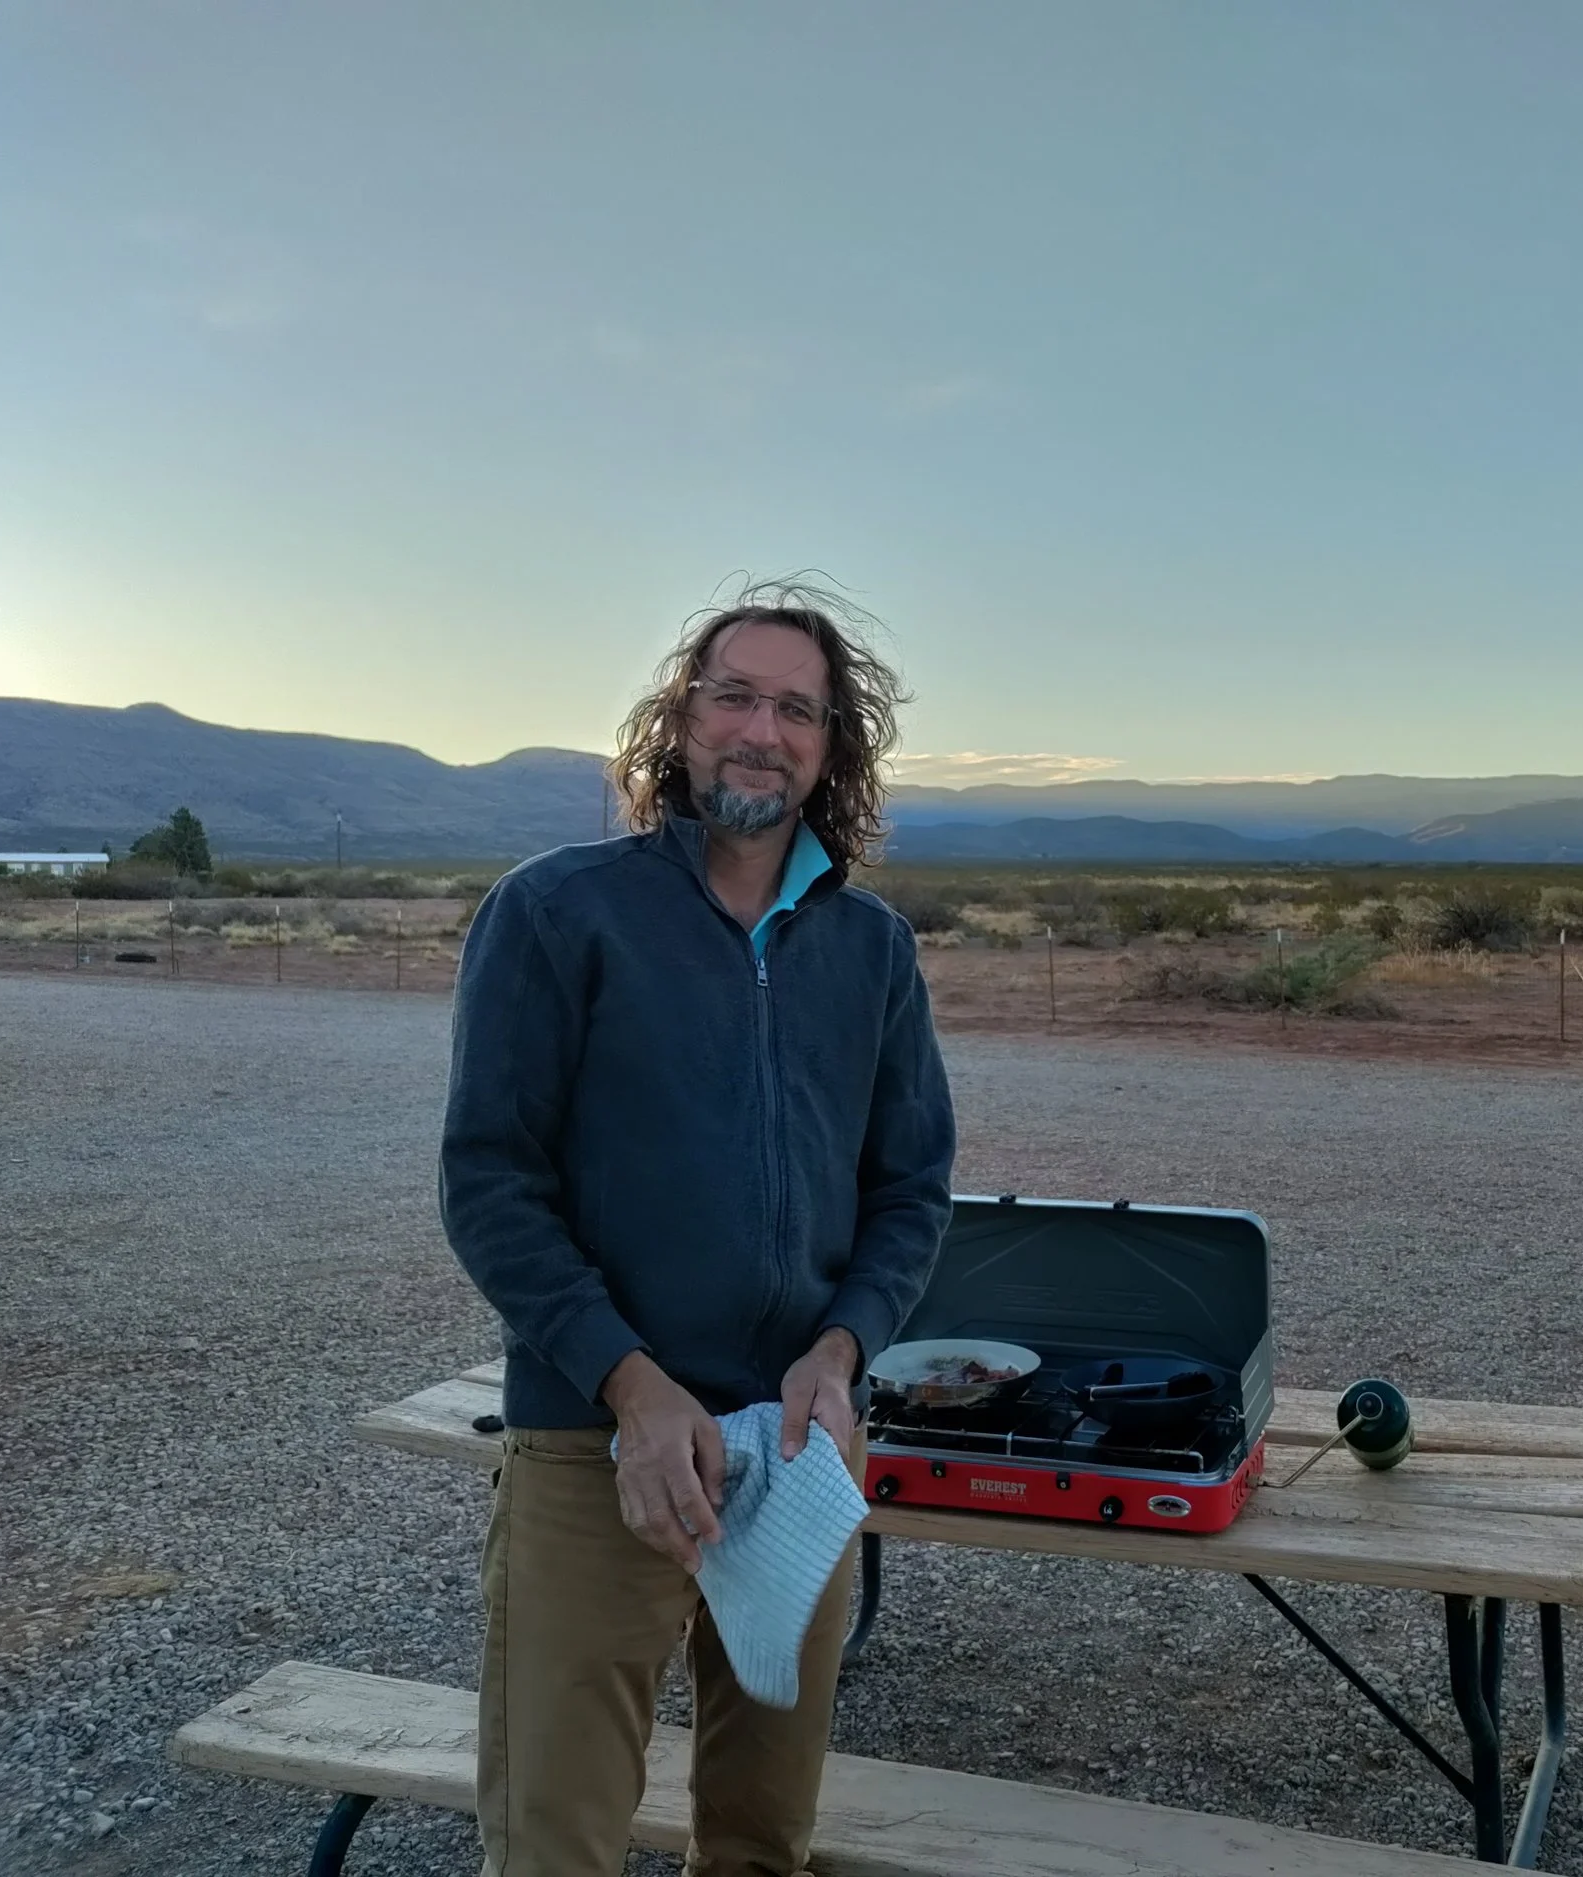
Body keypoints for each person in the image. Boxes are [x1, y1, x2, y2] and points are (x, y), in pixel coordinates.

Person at [439, 583, 955, 1877]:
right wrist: (629, 1383)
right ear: (681, 719)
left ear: (832, 748)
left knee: (762, 1840)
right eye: (734, 696)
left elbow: (910, 1188)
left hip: (799, 1449)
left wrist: (842, 1350)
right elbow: (491, 1180)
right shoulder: (559, 912)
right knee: (554, 1841)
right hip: (596, 1447)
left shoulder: (873, 950)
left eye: (797, 710)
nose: (761, 732)